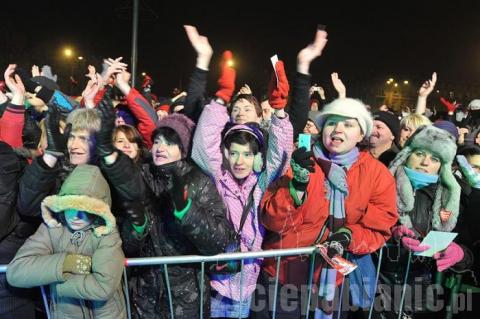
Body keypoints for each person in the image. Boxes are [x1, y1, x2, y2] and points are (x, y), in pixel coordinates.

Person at [258, 97, 398, 318]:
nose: (337, 129)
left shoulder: (376, 174)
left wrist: (348, 236)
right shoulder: (299, 161)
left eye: (348, 124)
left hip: (334, 280)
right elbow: (272, 220)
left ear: (361, 134)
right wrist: (296, 189)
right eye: (332, 123)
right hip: (283, 276)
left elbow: (380, 225)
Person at [190, 31, 293, 317]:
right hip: (212, 281)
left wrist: (281, 112)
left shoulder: (260, 184)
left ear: (256, 156)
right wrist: (221, 99)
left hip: (245, 283)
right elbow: (203, 145)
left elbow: (280, 155)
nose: (239, 160)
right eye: (233, 152)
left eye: (247, 154)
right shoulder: (216, 177)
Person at [7, 164, 126, 319]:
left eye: (85, 211)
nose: (77, 216)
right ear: (61, 205)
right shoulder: (53, 228)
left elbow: (103, 286)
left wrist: (55, 284)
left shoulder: (105, 232)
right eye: (70, 207)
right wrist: (67, 263)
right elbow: (16, 272)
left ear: (98, 211)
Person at [380, 125, 464, 318]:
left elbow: (468, 247)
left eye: (434, 159)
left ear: (442, 166)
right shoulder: (382, 182)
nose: (425, 162)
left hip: (422, 295)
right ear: (407, 154)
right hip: (379, 283)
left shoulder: (451, 197)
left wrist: (460, 253)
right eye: (419, 153)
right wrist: (392, 235)